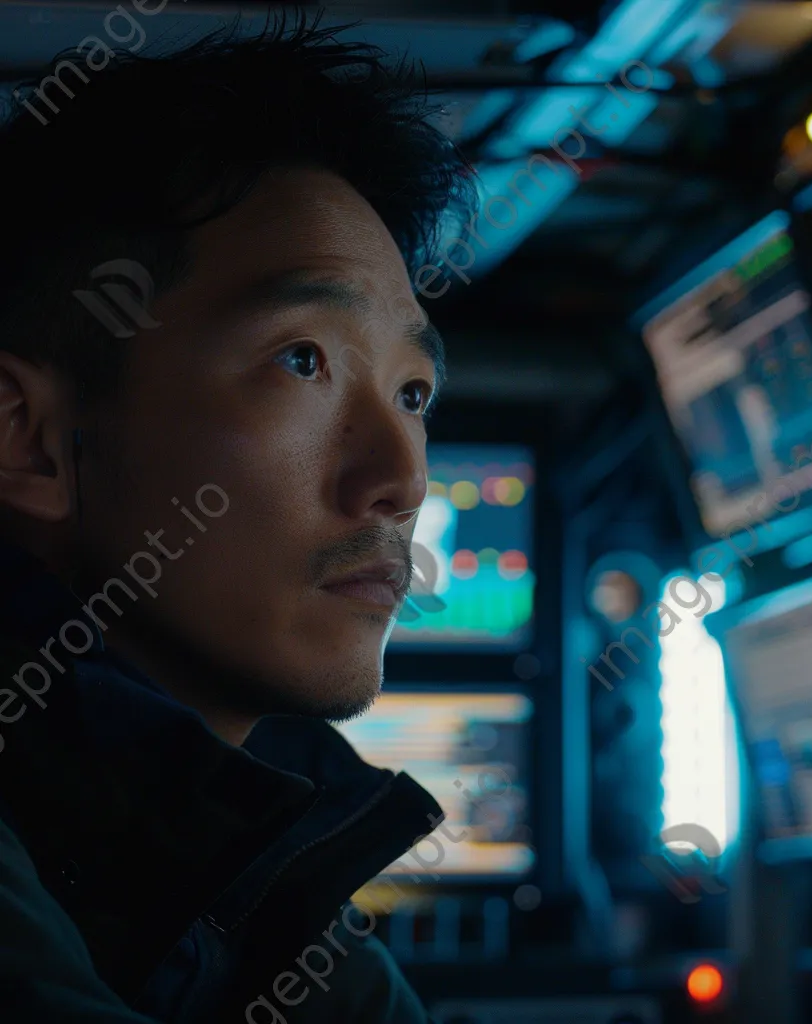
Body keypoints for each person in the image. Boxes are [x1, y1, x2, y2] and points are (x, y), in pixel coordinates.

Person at [0, 12, 474, 1023]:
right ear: (32, 442)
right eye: (303, 359)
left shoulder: (248, 850)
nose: (399, 480)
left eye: (412, 393)